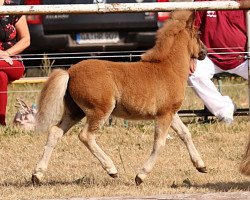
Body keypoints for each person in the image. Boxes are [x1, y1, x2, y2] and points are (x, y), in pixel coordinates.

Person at [188, 0, 248, 124]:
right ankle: (224, 110)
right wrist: (192, 55)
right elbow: (192, 28)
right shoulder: (203, 1)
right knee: (193, 73)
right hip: (210, 57)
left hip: (243, 57)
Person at [0, 0, 30, 126]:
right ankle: (1, 123)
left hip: (12, 60)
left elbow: (26, 39)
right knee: (1, 77)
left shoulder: (13, 7)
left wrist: (6, 54)